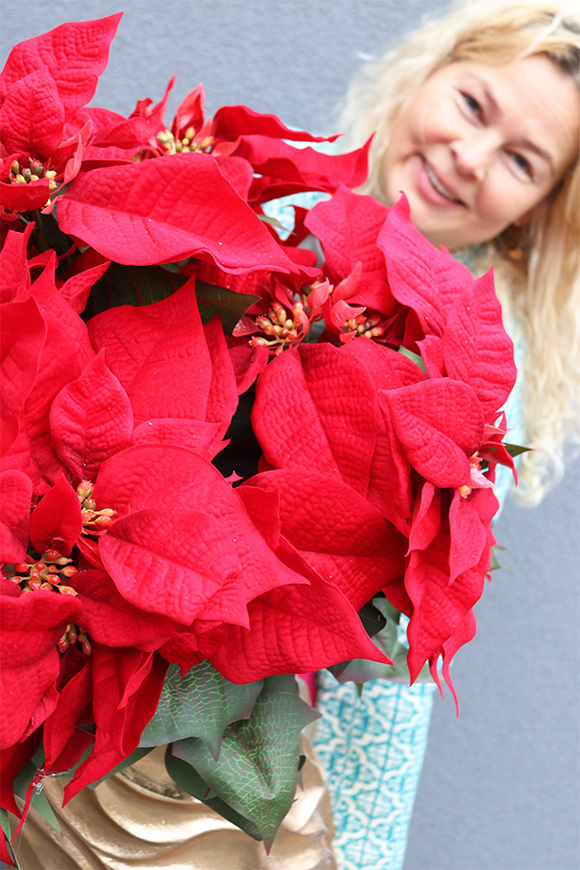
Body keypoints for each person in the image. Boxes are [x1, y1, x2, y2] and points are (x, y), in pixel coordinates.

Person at [310, 2, 580, 868]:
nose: (469, 158)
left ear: (534, 212)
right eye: (472, 106)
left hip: (339, 714)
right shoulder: (283, 213)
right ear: (428, 74)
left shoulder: (490, 356)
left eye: (520, 161)